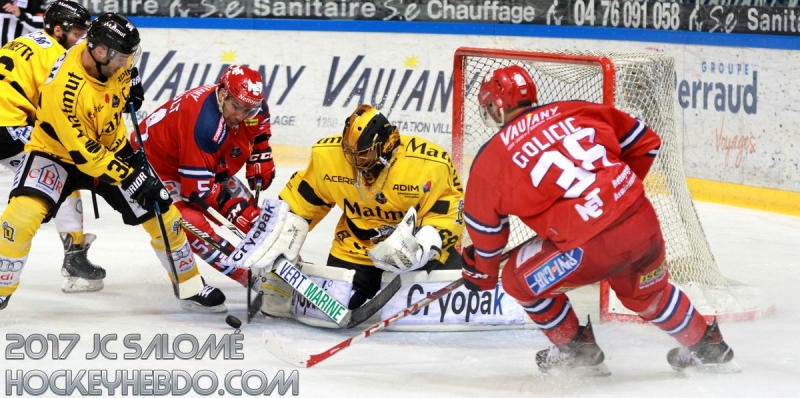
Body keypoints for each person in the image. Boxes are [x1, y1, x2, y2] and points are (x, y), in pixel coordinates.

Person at [460, 65, 737, 375]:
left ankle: (576, 349)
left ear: (493, 107)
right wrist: (617, 197)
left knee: (516, 281)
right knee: (648, 294)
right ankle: (706, 345)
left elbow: (487, 231)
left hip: (588, 248)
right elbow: (644, 141)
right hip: (641, 221)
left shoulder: (490, 159)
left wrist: (483, 274)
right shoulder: (574, 110)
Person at [0, 13, 225, 313]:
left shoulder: (110, 56)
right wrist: (131, 176)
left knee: (164, 215)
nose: (126, 63)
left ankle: (190, 285)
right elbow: (87, 155)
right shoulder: (63, 91)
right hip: (55, 153)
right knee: (19, 219)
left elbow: (127, 71)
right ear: (101, 52)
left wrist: (133, 81)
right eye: (122, 58)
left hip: (112, 147)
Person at [276, 104, 464, 310]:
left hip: (410, 253)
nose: (355, 161)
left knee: (449, 304)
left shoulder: (428, 164)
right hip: (356, 250)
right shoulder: (329, 156)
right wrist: (280, 231)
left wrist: (424, 247)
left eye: (364, 154)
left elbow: (450, 209)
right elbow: (304, 198)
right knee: (330, 308)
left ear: (385, 146)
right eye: (349, 152)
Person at [0, 1, 110, 294]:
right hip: (7, 125)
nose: (83, 40)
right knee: (60, 174)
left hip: (8, 121)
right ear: (57, 30)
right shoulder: (60, 56)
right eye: (77, 33)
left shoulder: (22, 43)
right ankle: (74, 258)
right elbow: (54, 110)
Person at [132, 64, 274, 288]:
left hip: (194, 160)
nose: (240, 115)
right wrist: (234, 211)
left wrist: (261, 153)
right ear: (224, 93)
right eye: (236, 107)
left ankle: (285, 265)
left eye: (248, 110)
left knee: (255, 218)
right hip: (153, 167)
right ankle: (247, 280)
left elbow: (260, 121)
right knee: (188, 224)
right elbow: (197, 191)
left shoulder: (249, 104)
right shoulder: (204, 124)